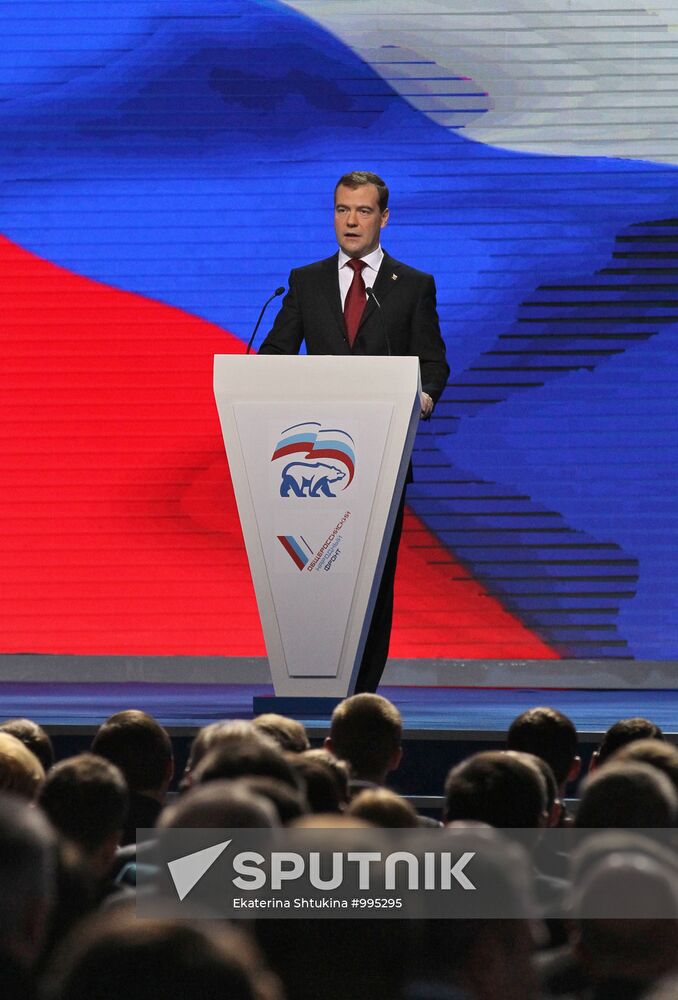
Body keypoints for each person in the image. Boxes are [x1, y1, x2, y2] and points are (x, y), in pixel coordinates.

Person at [259, 170, 450, 692]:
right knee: (316, 573)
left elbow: (433, 363)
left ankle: (361, 692)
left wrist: (423, 399)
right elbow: (276, 353)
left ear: (384, 218)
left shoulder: (411, 286)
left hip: (382, 457)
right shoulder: (306, 281)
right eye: (343, 209)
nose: (351, 220)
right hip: (311, 467)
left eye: (363, 211)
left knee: (372, 582)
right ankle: (312, 682)